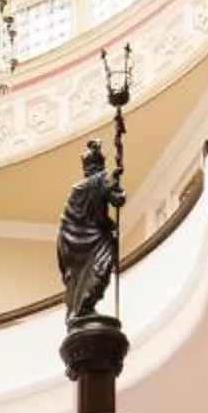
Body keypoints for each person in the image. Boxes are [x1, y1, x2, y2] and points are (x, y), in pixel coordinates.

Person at [57, 138, 122, 325]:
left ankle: (82, 308)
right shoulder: (102, 180)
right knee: (100, 270)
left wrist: (114, 180)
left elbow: (67, 219)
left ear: (86, 169)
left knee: (83, 276)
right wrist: (116, 182)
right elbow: (118, 200)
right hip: (96, 239)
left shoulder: (78, 188)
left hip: (71, 241)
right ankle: (84, 307)